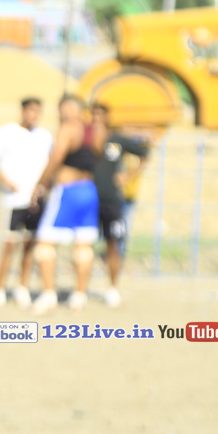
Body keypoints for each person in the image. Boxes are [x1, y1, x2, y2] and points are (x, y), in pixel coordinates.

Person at [29, 95, 105, 314]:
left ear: (70, 109)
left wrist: (40, 184)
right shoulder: (96, 130)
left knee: (44, 245)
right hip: (89, 190)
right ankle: (79, 296)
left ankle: (48, 295)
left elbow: (57, 158)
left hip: (67, 191)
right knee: (83, 246)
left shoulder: (69, 128)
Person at [0, 97, 52, 307]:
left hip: (36, 200)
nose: (34, 115)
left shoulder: (45, 136)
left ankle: (23, 288)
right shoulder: (7, 133)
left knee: (30, 246)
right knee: (9, 245)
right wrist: (5, 180)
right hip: (14, 200)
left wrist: (44, 187)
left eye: (38, 111)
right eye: (31, 110)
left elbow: (51, 164)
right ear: (23, 111)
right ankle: (0, 289)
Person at [90, 102, 149, 308]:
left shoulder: (117, 140)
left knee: (113, 244)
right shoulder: (85, 138)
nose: (97, 118)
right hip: (89, 199)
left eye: (101, 114)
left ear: (108, 117)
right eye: (94, 114)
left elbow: (144, 154)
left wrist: (127, 176)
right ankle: (80, 290)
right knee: (84, 243)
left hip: (111, 200)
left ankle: (112, 289)